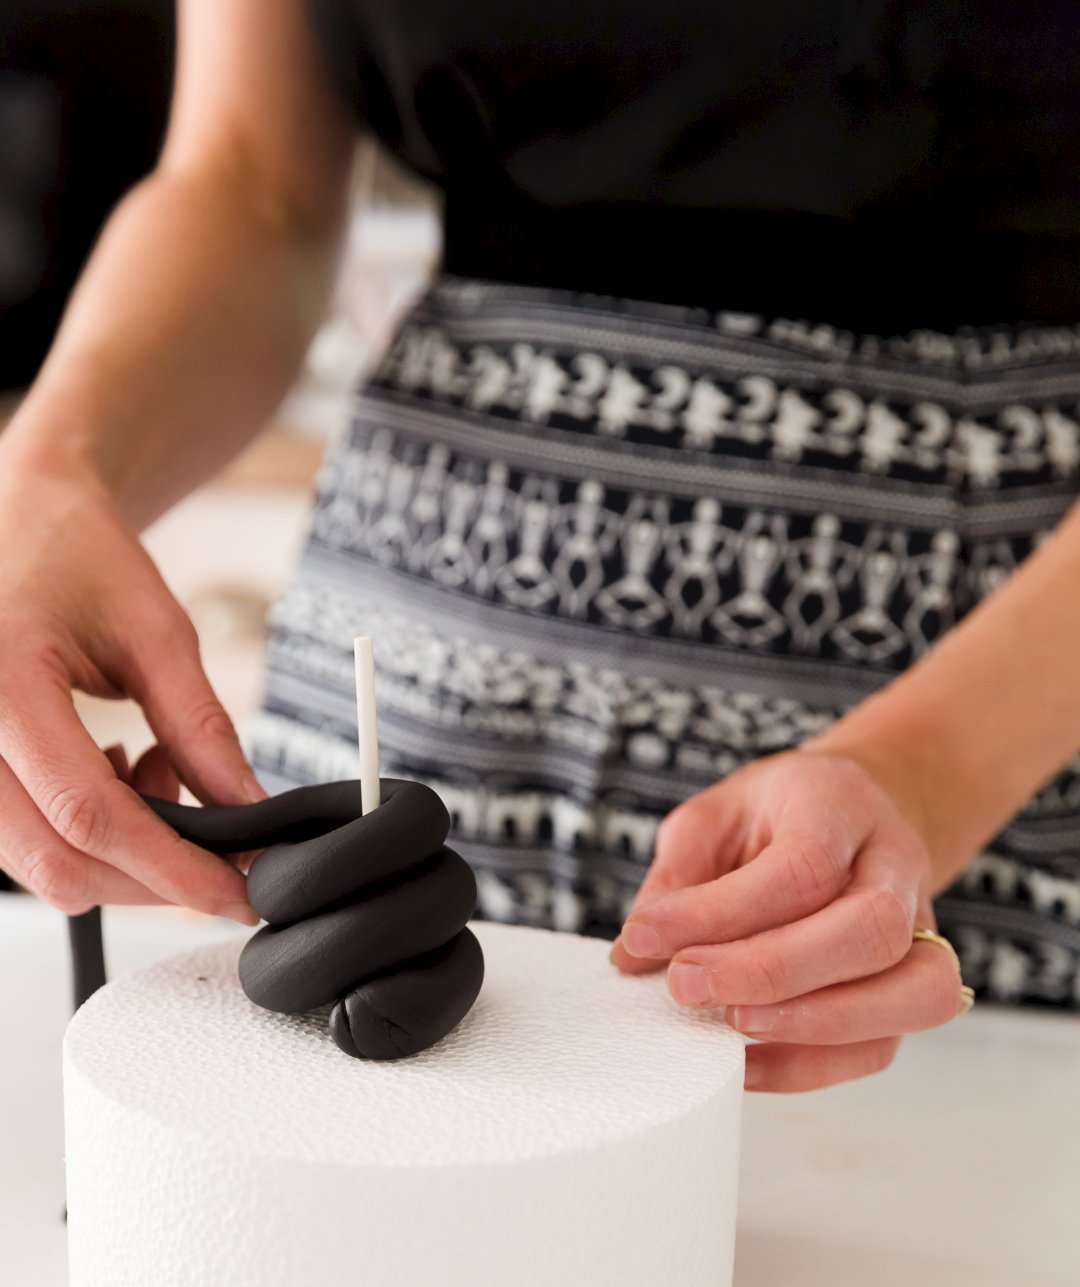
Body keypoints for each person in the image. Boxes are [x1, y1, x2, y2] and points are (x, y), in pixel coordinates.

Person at [2, 0, 1080, 1094]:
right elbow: (248, 181)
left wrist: (926, 767)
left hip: (1001, 728)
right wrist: (45, 475)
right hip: (417, 684)